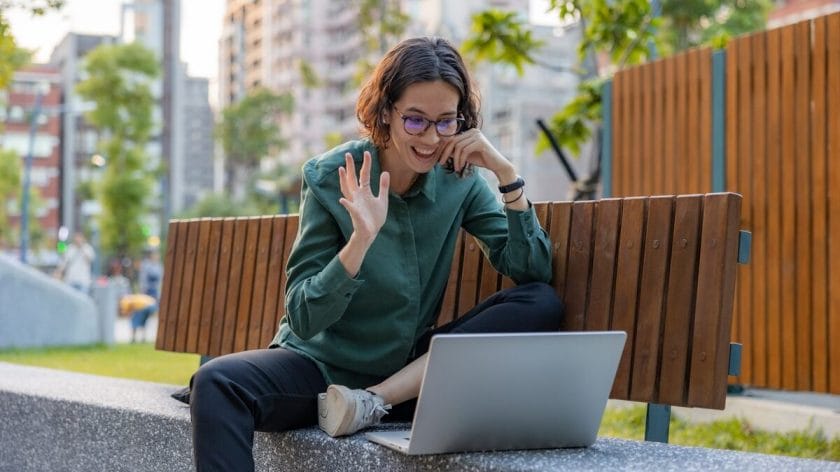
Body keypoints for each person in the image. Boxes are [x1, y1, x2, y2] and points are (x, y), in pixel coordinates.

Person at [188, 37, 564, 471]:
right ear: (386, 112)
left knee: (540, 303)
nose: (431, 138)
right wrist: (359, 242)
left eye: (446, 122)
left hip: (403, 382)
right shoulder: (332, 175)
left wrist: (507, 175)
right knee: (216, 382)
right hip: (322, 369)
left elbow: (533, 271)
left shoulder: (460, 180)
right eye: (416, 121)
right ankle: (362, 400)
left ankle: (372, 401)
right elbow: (303, 316)